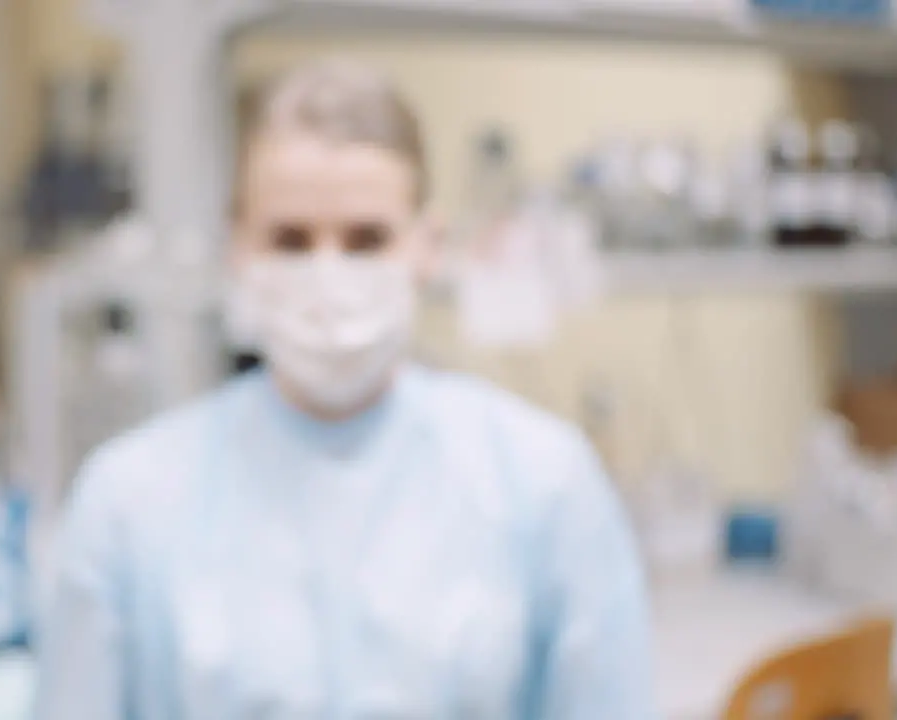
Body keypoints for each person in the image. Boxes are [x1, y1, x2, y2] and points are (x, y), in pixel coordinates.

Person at [34, 58, 657, 719]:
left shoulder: (546, 484)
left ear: (427, 245)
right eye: (290, 239)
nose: (327, 275)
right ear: (235, 246)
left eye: (366, 240)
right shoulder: (129, 504)